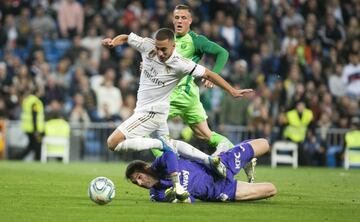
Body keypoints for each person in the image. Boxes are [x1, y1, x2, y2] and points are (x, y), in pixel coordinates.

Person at [102, 28, 253, 178]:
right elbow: (126, 37)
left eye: (164, 50)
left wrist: (232, 91)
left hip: (151, 112)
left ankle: (160, 144)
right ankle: (208, 161)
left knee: (112, 143)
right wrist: (113, 42)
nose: (160, 53)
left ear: (173, 46)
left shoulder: (181, 63)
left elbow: (208, 73)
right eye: (158, 48)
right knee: (172, 148)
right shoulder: (147, 45)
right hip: (157, 110)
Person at [154, 4, 234, 158]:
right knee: (206, 135)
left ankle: (165, 166)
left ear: (190, 20)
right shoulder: (166, 39)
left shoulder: (196, 40)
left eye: (184, 18)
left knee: (146, 128)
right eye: (177, 17)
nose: (179, 21)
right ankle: (241, 157)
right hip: (188, 95)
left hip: (177, 94)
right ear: (172, 19)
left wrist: (213, 76)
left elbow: (222, 53)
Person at [125, 138, 277, 203]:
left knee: (264, 144)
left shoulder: (160, 164)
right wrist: (176, 197)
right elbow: (189, 200)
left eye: (139, 177)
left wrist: (176, 183)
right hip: (217, 190)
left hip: (217, 167)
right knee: (271, 190)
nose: (139, 183)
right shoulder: (157, 194)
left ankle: (240, 158)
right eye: (135, 182)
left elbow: (170, 154)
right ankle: (241, 159)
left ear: (146, 168)